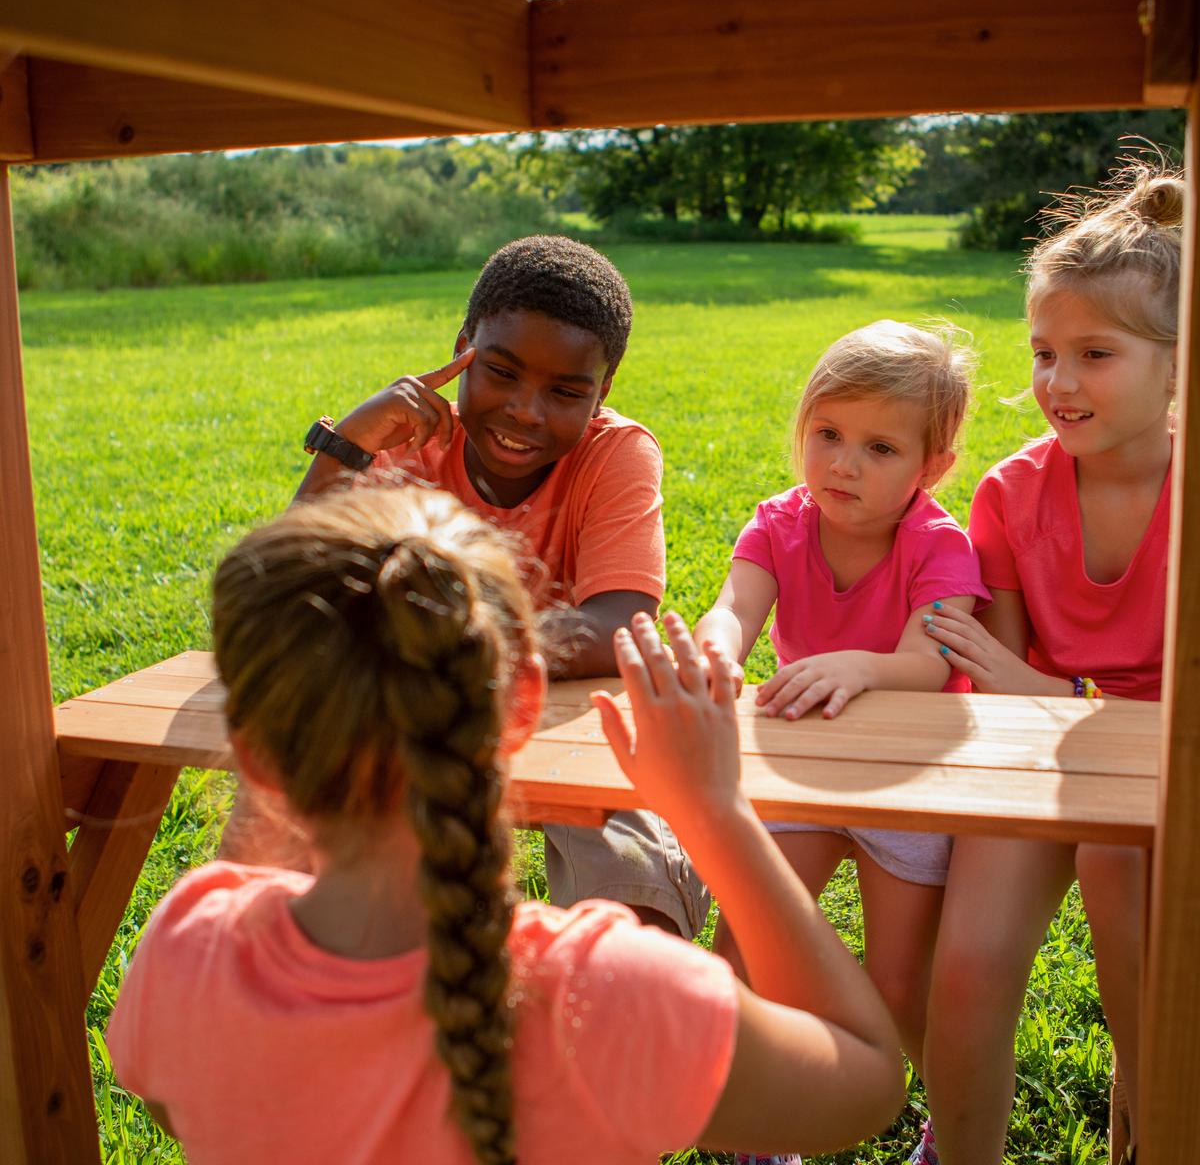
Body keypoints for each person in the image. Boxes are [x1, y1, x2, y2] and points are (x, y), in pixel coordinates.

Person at [105, 486, 906, 1165]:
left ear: (256, 758)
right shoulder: (610, 993)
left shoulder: (187, 949)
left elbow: (176, 1104)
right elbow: (867, 1083)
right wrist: (713, 812)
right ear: (522, 704)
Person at [274, 235, 708, 939]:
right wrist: (346, 445)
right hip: (418, 718)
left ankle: (621, 994)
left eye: (566, 392)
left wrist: (445, 645)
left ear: (602, 392)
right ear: (462, 349)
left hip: (568, 720)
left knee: (635, 892)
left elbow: (620, 626)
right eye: (501, 373)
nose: (527, 411)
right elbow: (287, 598)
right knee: (303, 874)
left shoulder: (616, 453)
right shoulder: (404, 438)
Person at [918, 160, 1182, 1165]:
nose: (1057, 384)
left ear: (1180, 364)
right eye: (1043, 353)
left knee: (1128, 889)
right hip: (1040, 756)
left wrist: (1057, 692)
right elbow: (1002, 687)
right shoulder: (1010, 495)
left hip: (1168, 766)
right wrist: (1055, 695)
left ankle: (1153, 1129)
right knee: (967, 972)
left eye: (1095, 354)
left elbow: (1038, 681)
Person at [693, 320, 990, 1143]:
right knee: (747, 955)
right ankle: (760, 1129)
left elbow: (928, 662)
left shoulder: (938, 543)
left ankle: (949, 1128)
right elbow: (734, 607)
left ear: (933, 468)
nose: (843, 464)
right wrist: (716, 649)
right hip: (805, 764)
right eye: (827, 433)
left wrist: (861, 666)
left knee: (898, 987)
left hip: (911, 778)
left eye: (880, 448)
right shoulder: (778, 524)